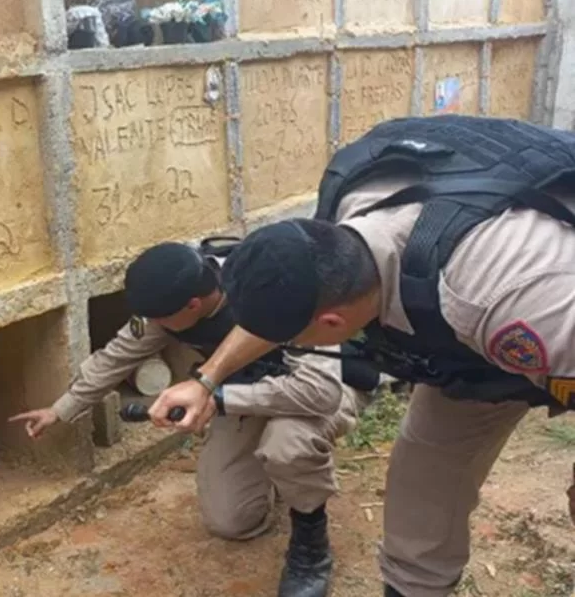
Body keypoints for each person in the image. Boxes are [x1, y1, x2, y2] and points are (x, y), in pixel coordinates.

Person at [146, 114, 575, 597]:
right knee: (422, 489)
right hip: (469, 347)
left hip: (545, 301)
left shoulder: (503, 294)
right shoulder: (341, 225)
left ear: (331, 326)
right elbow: (289, 301)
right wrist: (207, 379)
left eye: (293, 338)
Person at [9, 240, 380, 596]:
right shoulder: (172, 301)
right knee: (229, 521)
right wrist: (61, 409)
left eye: (159, 318)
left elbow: (320, 392)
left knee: (288, 447)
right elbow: (117, 356)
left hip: (321, 390)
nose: (152, 323)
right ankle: (277, 475)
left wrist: (217, 400)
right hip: (244, 397)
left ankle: (310, 546)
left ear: (193, 304)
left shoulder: (275, 287)